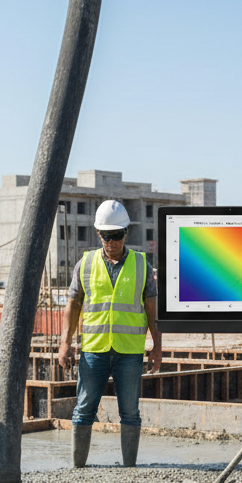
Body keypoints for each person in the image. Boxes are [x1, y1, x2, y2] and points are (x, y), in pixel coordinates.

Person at [57, 199, 163, 467]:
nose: (111, 241)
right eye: (106, 235)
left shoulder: (141, 264)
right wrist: (64, 343)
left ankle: (129, 469)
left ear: (126, 232)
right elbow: (73, 304)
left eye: (116, 235)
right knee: (83, 409)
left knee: (130, 412)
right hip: (94, 350)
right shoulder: (85, 264)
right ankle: (78, 468)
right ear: (98, 233)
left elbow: (152, 309)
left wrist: (157, 346)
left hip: (129, 352)